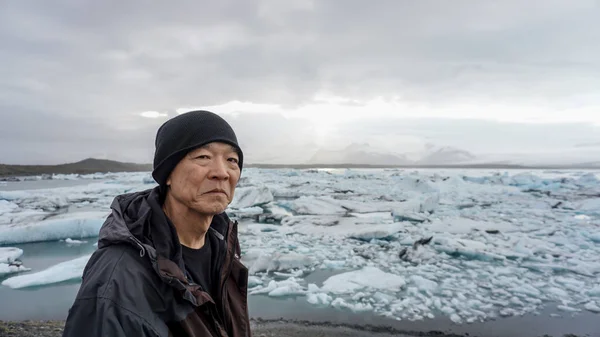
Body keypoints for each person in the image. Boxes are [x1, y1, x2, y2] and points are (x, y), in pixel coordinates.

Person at [62, 110, 251, 337]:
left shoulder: (223, 250)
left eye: (232, 160)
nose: (222, 172)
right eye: (203, 157)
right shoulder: (118, 280)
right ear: (167, 174)